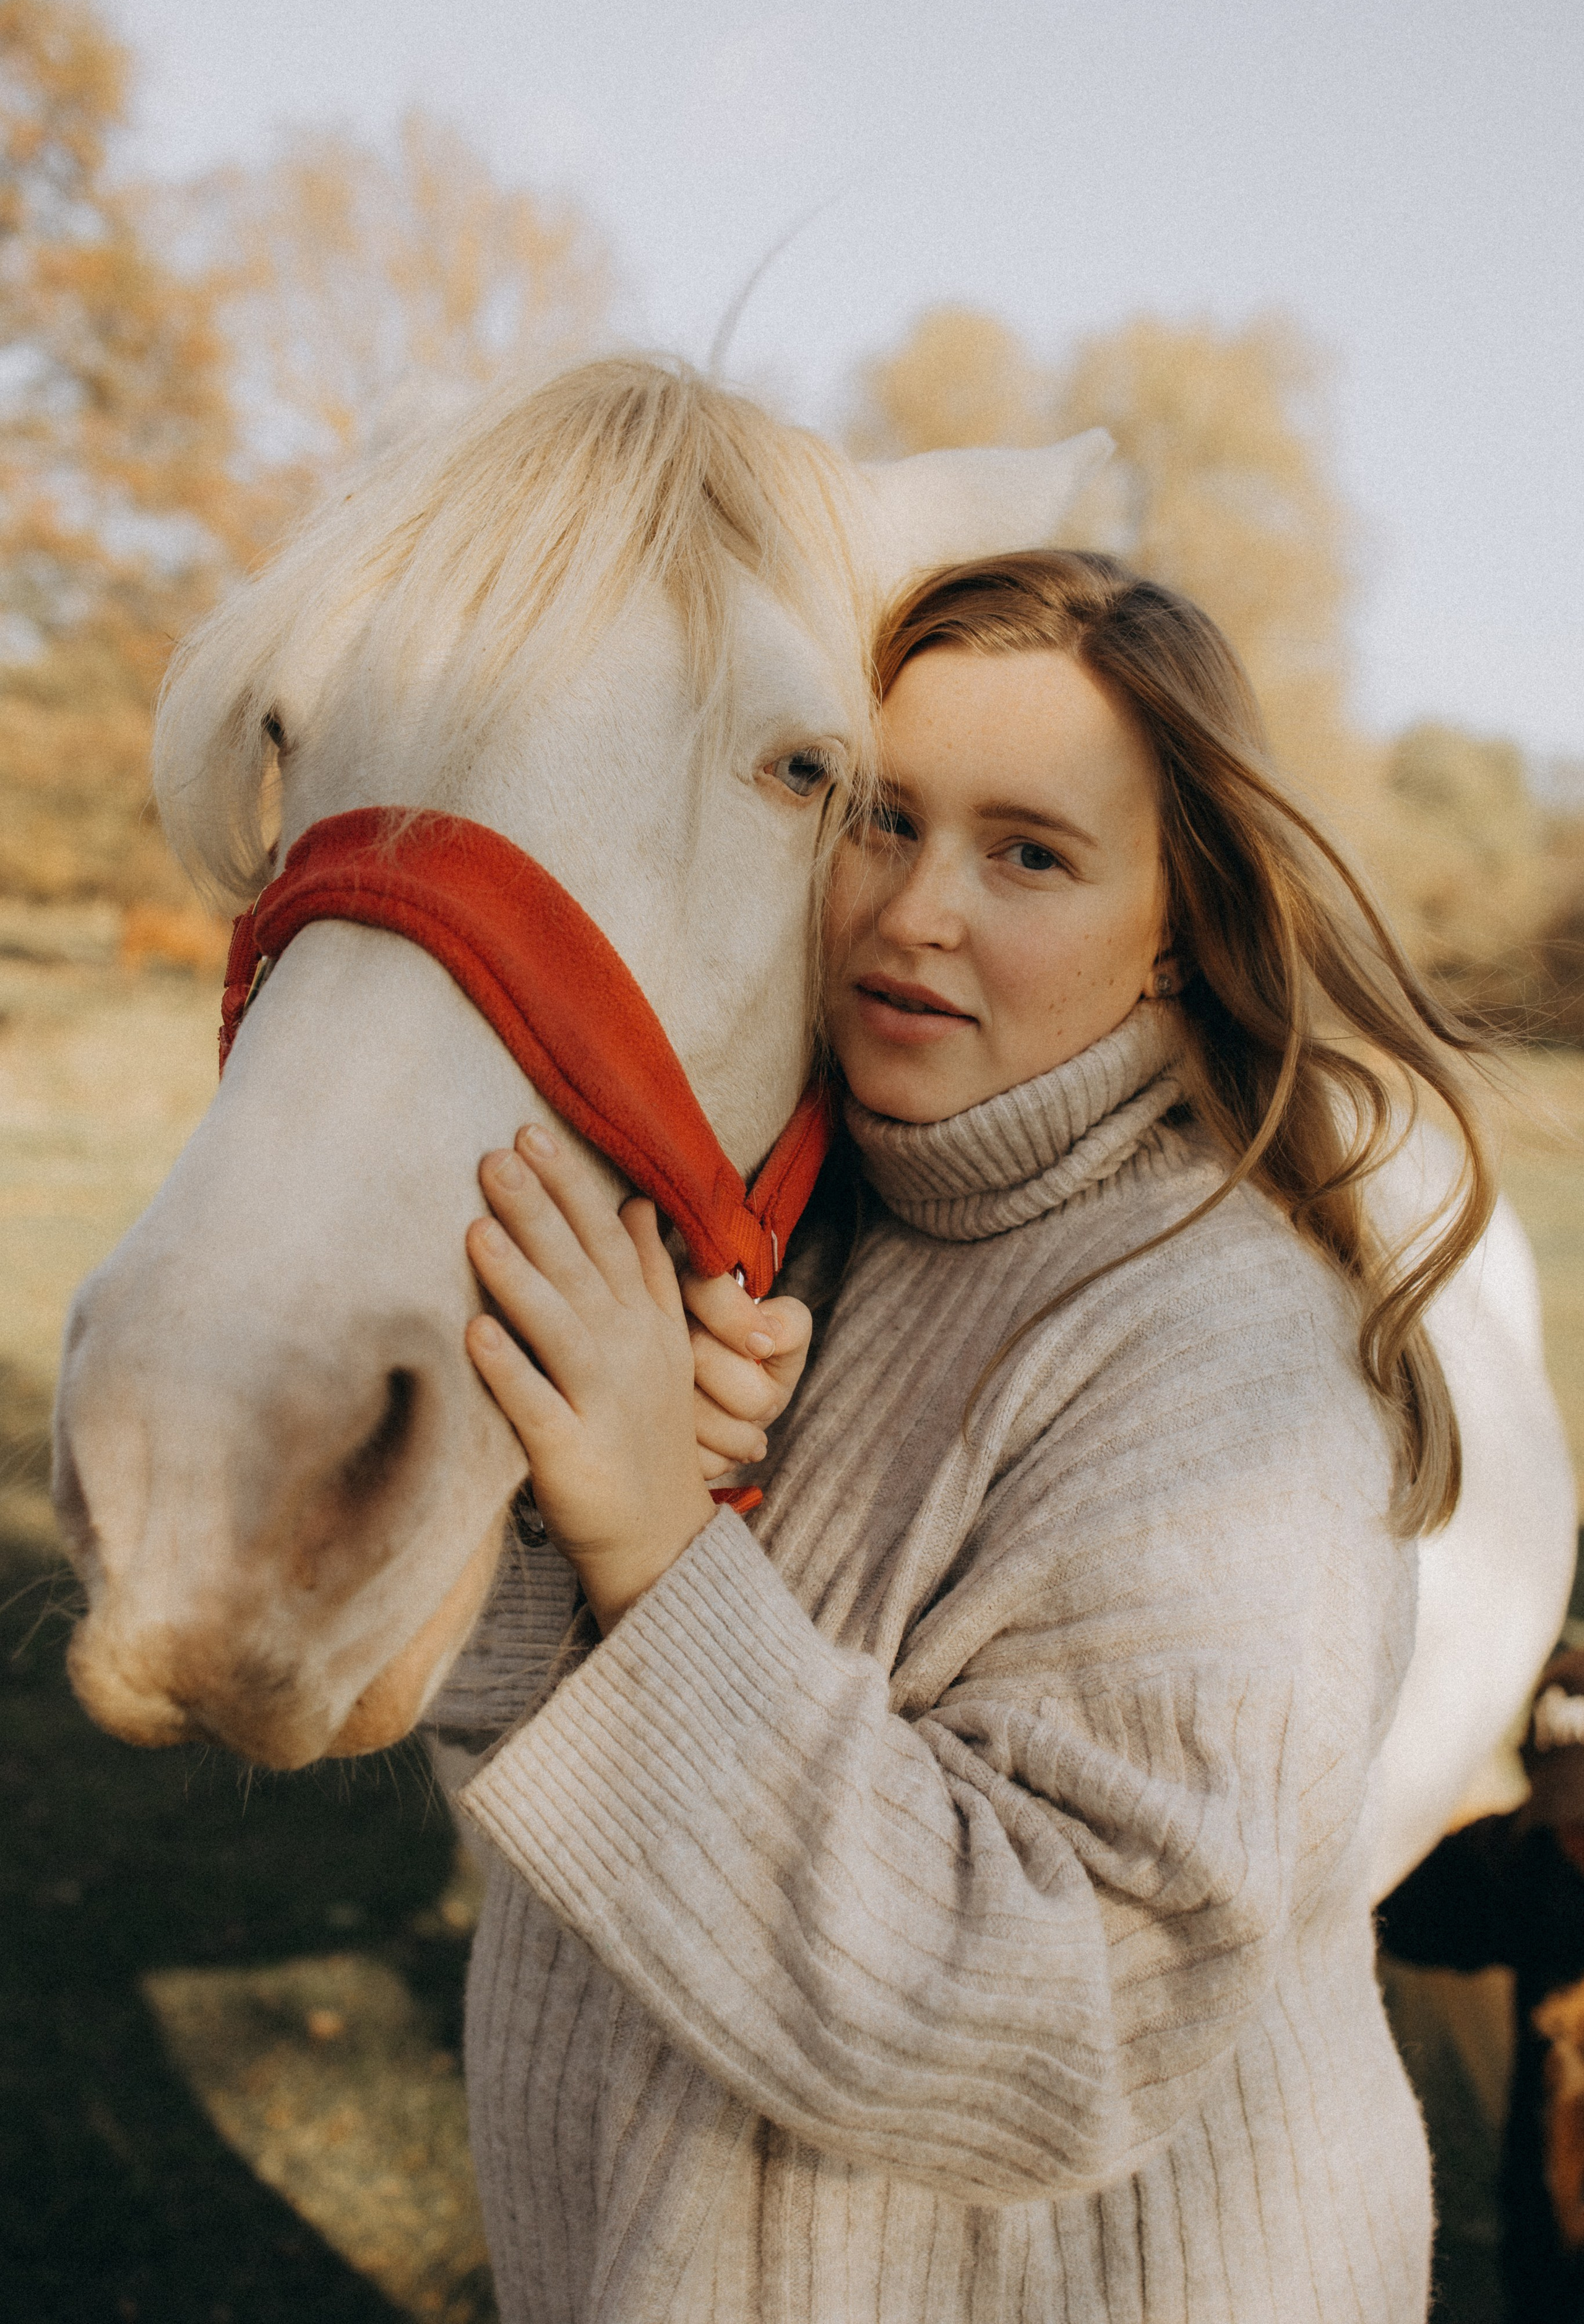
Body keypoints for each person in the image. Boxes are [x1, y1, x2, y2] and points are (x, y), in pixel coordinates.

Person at [433, 549, 1494, 2323]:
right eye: (880, 819)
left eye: (1028, 853)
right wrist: (587, 1511)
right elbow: (538, 1800)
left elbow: (1070, 2017)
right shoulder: (801, 1230)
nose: (914, 911)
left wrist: (659, 1549)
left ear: (1179, 923)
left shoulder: (1229, 1361)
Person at [1379, 1646, 1584, 2320]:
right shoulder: (1528, 1866)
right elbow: (1397, 1902)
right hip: (1545, 2259)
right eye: (1569, 1824)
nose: (1576, 1847)